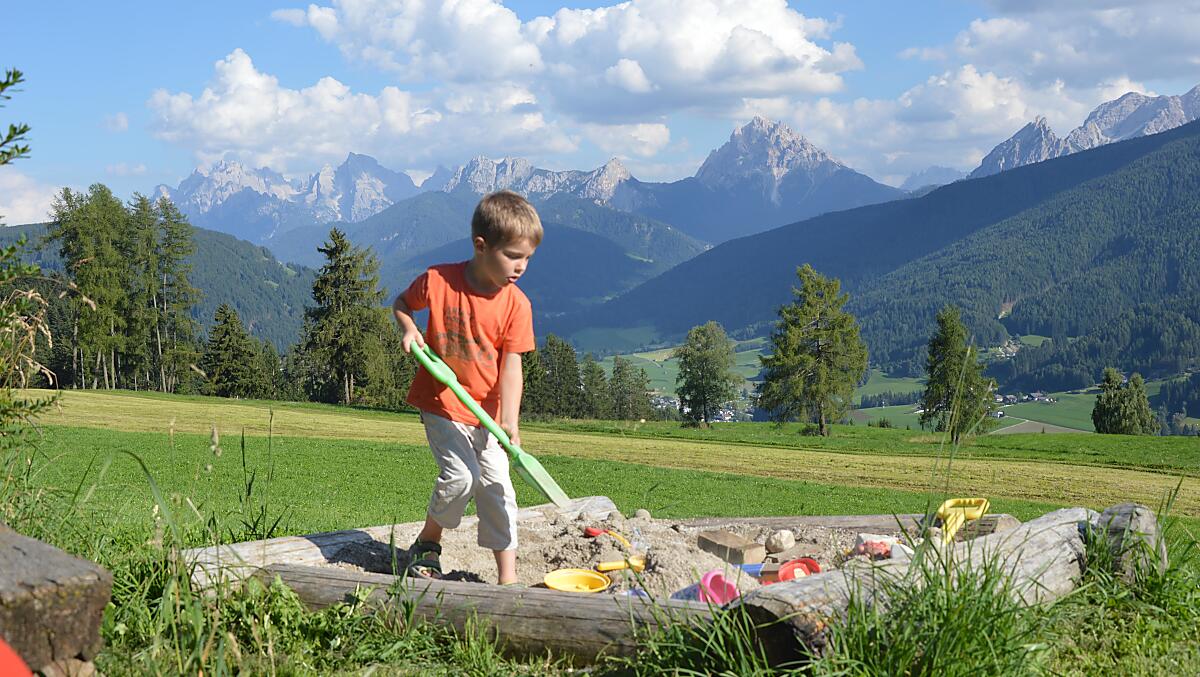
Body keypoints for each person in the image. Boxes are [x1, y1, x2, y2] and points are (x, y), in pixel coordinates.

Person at [392, 190, 541, 585]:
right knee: (461, 477)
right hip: (442, 401)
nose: (521, 266)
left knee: (498, 489)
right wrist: (409, 328)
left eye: (528, 258)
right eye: (513, 255)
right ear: (481, 246)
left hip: (487, 416)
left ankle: (507, 579)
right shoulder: (439, 281)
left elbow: (512, 367)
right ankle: (427, 543)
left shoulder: (517, 305)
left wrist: (509, 421)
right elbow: (402, 303)